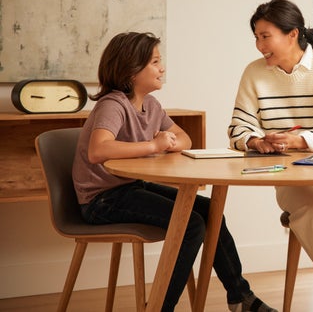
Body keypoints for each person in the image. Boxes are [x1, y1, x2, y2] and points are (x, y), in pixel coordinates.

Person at [72, 32, 277, 312]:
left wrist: (168, 142)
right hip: (101, 200)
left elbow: (184, 138)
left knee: (210, 210)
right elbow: (98, 149)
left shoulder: (151, 106)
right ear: (131, 70)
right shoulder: (113, 104)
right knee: (191, 224)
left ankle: (239, 296)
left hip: (129, 188)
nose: (162, 68)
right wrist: (152, 145)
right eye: (155, 62)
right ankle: (160, 306)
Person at [227, 0, 313, 312]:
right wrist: (256, 142)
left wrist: (298, 140)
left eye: (266, 36)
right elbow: (237, 128)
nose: (259, 45)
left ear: (292, 34)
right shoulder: (254, 74)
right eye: (256, 37)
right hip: (292, 175)